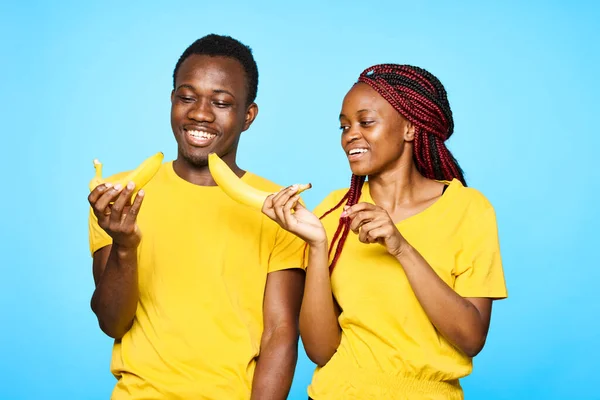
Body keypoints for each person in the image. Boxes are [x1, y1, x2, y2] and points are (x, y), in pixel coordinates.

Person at [263, 64, 508, 400]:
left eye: (366, 122)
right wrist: (318, 246)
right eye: (344, 126)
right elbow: (321, 352)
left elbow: (471, 337)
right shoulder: (335, 211)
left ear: (410, 127)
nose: (350, 134)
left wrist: (400, 247)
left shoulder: (468, 209)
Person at [87, 34, 306, 400]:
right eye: (186, 97)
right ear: (172, 101)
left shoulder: (280, 208)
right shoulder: (118, 197)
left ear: (248, 116)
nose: (200, 113)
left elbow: (280, 334)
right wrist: (124, 245)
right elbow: (113, 323)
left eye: (221, 102)